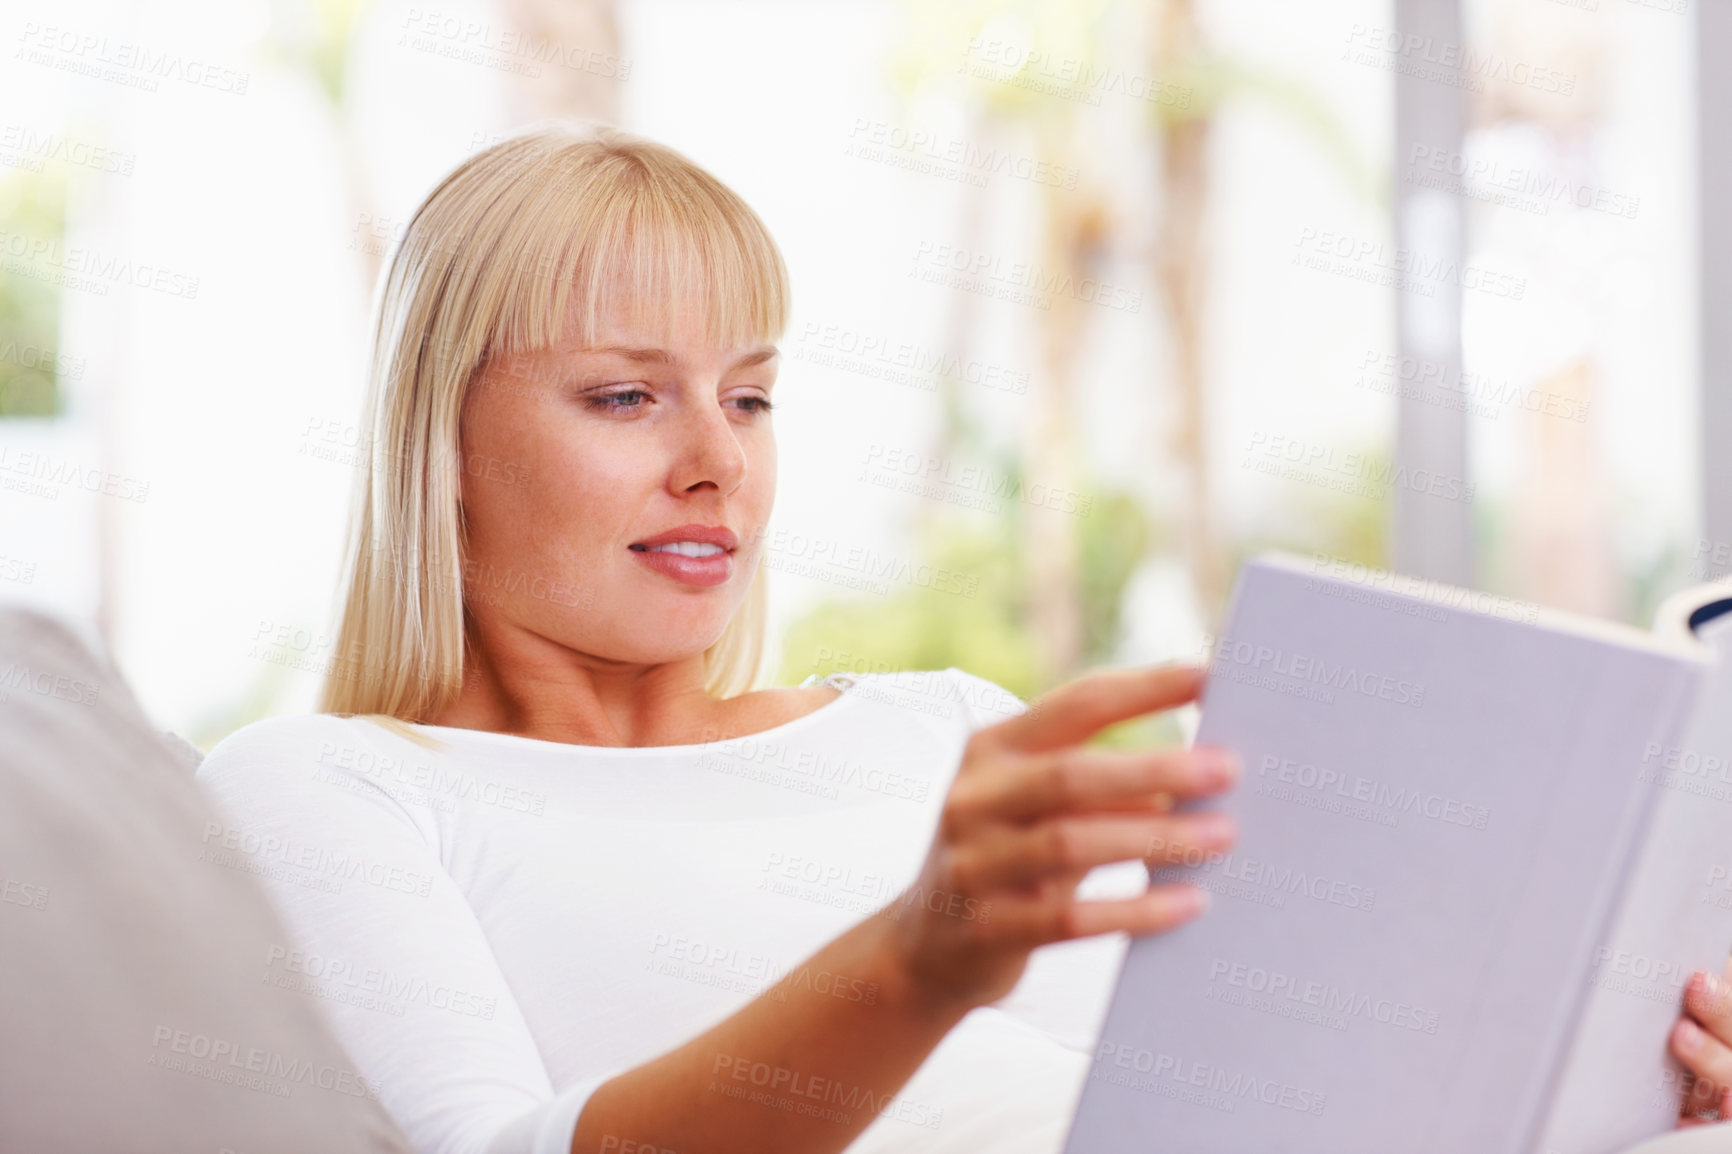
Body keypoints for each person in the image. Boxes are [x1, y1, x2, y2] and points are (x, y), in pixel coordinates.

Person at [194, 121, 1240, 1154]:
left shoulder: (950, 732)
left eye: (749, 397)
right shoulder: (331, 785)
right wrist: (910, 964)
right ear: (443, 438)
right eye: (624, 395)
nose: (717, 459)